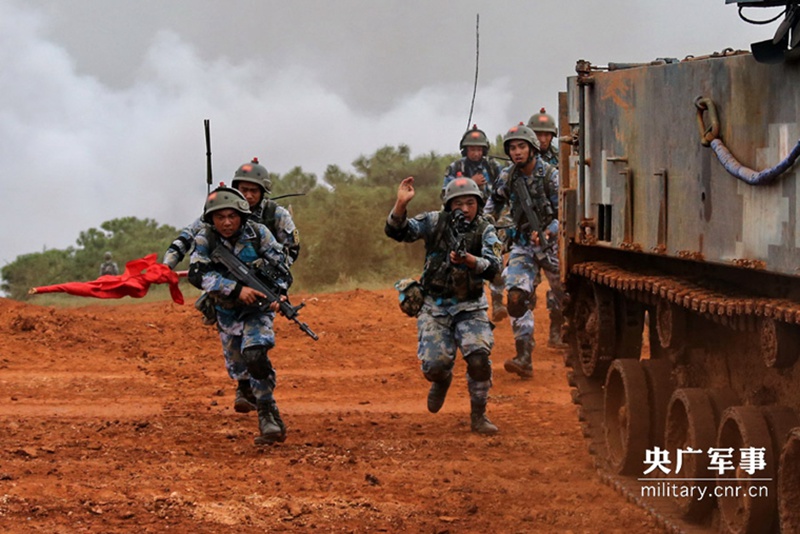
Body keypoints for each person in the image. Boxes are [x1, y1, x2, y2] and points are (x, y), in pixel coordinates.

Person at [163, 157, 301, 414]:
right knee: (234, 351)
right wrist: (167, 265)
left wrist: (270, 279)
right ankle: (244, 385)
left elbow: (291, 251)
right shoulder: (220, 213)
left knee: (256, 349)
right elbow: (187, 239)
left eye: (253, 190)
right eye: (243, 189)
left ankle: (265, 405)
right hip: (224, 290)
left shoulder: (273, 218)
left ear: (263, 192)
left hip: (262, 285)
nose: (248, 195)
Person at [386, 176, 503, 435]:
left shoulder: (486, 230)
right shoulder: (434, 221)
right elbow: (398, 231)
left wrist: (472, 262)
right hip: (435, 306)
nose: (464, 209)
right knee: (434, 366)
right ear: (448, 205)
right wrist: (401, 205)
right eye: (457, 203)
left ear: (479, 204)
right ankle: (441, 379)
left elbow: (496, 267)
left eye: (470, 203)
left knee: (479, 360)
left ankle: (478, 415)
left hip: (471, 306)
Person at [188, 186, 290, 446]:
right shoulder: (205, 239)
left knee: (255, 355)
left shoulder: (259, 234)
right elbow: (198, 274)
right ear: (211, 218)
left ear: (242, 215)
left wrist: (280, 295)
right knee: (240, 369)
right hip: (227, 313)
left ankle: (269, 414)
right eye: (219, 217)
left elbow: (281, 266)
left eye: (231, 216)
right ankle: (251, 393)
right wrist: (234, 289)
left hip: (258, 310)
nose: (226, 222)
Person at [484, 123, 562, 379]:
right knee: (516, 299)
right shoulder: (508, 176)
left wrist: (550, 229)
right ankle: (524, 356)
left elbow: (566, 211)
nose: (517, 152)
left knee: (567, 296)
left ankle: (568, 335)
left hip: (553, 245)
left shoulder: (550, 175)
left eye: (521, 147)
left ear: (531, 149)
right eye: (512, 148)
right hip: (523, 245)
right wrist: (484, 227)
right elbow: (492, 203)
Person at [442, 125, 509, 322]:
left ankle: (497, 301)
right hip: (461, 222)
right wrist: (470, 182)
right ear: (465, 150)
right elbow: (444, 193)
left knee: (494, 259)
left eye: (479, 149)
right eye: (472, 149)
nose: (476, 152)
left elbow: (505, 193)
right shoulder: (456, 168)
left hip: (488, 221)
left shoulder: (493, 167)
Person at [527, 108, 567, 347]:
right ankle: (525, 340)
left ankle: (556, 329)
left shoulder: (561, 156)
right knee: (526, 287)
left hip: (556, 225)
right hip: (529, 227)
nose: (542, 139)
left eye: (546, 134)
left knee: (559, 283)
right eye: (537, 134)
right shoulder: (522, 159)